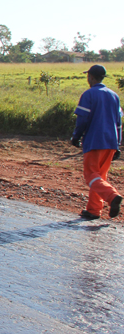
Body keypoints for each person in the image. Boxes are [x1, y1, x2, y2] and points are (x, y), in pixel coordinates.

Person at [71, 64, 123, 220]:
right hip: (111, 142)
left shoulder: (89, 94)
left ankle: (112, 196)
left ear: (91, 77)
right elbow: (119, 123)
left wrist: (76, 136)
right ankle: (94, 210)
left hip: (95, 141)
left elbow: (82, 119)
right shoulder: (114, 96)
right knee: (99, 176)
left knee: (91, 176)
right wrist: (118, 144)